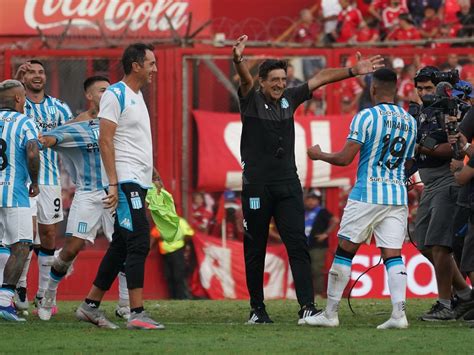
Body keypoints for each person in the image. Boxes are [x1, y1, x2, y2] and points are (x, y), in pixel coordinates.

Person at [232, 34, 383, 325]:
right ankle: (257, 310)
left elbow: (321, 78)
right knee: (255, 248)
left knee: (298, 245)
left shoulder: (289, 98)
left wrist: (353, 70)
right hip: (257, 187)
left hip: (288, 184)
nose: (279, 84)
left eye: (283, 79)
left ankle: (307, 308)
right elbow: (244, 80)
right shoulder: (250, 99)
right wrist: (239, 60)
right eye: (273, 79)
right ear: (261, 81)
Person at [305, 68, 417, 329]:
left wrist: (319, 155)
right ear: (397, 89)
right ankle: (399, 315)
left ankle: (330, 314)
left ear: (373, 89)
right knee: (393, 255)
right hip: (397, 195)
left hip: (367, 193)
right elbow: (409, 161)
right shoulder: (409, 120)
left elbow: (345, 158)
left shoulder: (366, 117)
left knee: (344, 251)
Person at [76, 43, 164, 330]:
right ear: (136, 65)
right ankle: (136, 312)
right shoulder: (115, 94)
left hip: (137, 180)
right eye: (151, 63)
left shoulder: (137, 96)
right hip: (124, 182)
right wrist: (113, 183)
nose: (155, 68)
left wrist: (153, 173)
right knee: (139, 240)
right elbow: (106, 139)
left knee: (122, 244)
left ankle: (90, 306)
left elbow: (136, 142)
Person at [35, 76, 130, 321]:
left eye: (110, 90)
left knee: (125, 246)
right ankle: (48, 295)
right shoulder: (78, 125)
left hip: (115, 192)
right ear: (89, 96)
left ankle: (125, 304)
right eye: (101, 90)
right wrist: (45, 140)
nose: (107, 94)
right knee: (70, 250)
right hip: (88, 194)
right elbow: (51, 139)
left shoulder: (120, 121)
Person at [411, 66, 473, 321]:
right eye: (421, 88)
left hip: (448, 179)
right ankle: (465, 295)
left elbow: (454, 147)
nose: (425, 93)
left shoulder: (454, 107)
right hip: (428, 181)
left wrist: (422, 148)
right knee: (424, 241)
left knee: (439, 244)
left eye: (429, 87)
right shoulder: (421, 112)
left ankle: (446, 304)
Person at [15, 59, 73, 310]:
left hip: (50, 179)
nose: (37, 76)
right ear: (24, 79)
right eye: (31, 73)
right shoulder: (17, 104)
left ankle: (43, 294)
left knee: (49, 234)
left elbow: (72, 133)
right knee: (25, 234)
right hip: (21, 179)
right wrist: (15, 79)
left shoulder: (58, 107)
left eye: (41, 72)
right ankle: (20, 287)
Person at [0, 79, 40, 321]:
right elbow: (33, 151)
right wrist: (34, 182)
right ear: (18, 99)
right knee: (22, 245)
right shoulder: (24, 122)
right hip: (14, 193)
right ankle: (4, 302)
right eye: (24, 96)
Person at [304, 189, 339, 297]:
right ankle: (307, 293)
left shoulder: (322, 211)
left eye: (313, 200)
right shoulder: (303, 212)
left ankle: (318, 293)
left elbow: (335, 220)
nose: (310, 202)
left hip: (318, 246)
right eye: (308, 199)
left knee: (317, 269)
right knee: (306, 269)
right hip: (305, 244)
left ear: (318, 201)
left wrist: (325, 234)